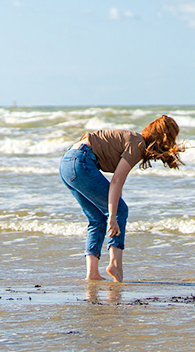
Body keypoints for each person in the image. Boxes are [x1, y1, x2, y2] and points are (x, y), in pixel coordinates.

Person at [58, 115, 183, 282]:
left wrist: (112, 212)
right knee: (120, 211)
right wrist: (113, 216)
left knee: (96, 219)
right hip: (80, 161)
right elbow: (116, 180)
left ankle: (92, 274)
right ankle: (115, 265)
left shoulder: (134, 140)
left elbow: (117, 185)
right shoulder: (138, 144)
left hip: (67, 163)